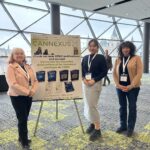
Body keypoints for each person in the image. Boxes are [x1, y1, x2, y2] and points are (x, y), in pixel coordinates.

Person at [6, 48, 38, 149]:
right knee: (22, 119)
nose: (19, 55)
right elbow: (13, 84)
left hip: (28, 96)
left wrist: (33, 90)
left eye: (21, 53)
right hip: (17, 96)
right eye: (17, 54)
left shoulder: (28, 66)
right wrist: (28, 91)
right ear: (13, 56)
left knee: (25, 117)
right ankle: (24, 141)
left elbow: (35, 80)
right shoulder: (10, 67)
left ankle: (21, 137)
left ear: (24, 55)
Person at [113, 41, 143, 137]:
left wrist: (130, 86)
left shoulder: (136, 58)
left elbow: (139, 74)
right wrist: (118, 84)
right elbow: (114, 73)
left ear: (131, 49)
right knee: (122, 107)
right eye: (123, 48)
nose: (125, 49)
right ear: (121, 49)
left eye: (127, 47)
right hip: (120, 88)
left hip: (133, 88)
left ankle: (130, 128)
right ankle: (123, 126)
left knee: (132, 107)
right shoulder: (118, 59)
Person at [82, 39, 107, 141]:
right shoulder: (85, 57)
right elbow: (82, 70)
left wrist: (94, 80)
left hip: (95, 84)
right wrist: (83, 79)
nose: (92, 48)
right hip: (85, 84)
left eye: (94, 46)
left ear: (97, 47)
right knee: (87, 105)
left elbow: (104, 72)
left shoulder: (101, 58)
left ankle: (98, 129)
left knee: (92, 106)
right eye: (90, 46)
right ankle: (92, 123)